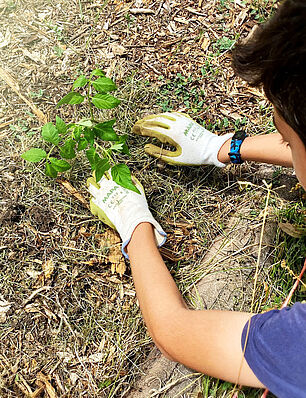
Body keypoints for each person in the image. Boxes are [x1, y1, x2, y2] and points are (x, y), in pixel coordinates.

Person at [87, 0, 306, 396]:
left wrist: (135, 225)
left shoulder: (298, 346)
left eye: (286, 141)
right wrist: (222, 147)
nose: (284, 146)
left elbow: (176, 331)